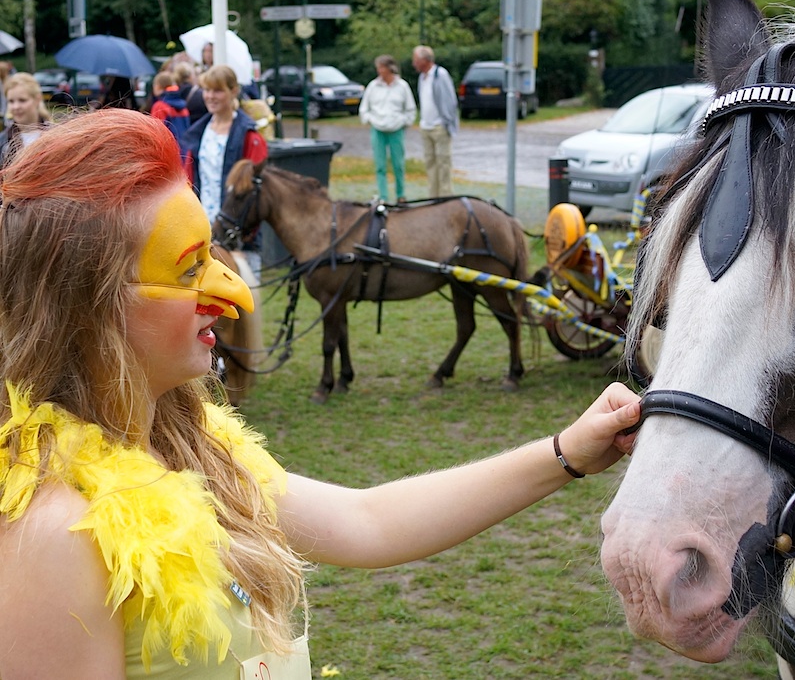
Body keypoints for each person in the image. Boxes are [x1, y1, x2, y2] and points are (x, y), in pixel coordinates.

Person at [0, 109, 642, 677]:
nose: (232, 292)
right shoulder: (52, 532)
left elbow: (368, 522)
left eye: (213, 259)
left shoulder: (198, 450)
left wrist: (567, 452)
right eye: (189, 268)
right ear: (88, 305)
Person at [180, 65, 267, 277]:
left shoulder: (249, 136)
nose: (210, 96)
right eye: (207, 90)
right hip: (201, 232)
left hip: (237, 238)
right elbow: (187, 183)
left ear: (233, 91)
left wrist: (243, 238)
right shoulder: (198, 133)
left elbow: (255, 194)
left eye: (217, 90)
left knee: (243, 295)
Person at [358, 54, 417, 204]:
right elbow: (364, 108)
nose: (379, 71)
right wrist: (370, 120)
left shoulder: (402, 86)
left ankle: (401, 194)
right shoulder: (373, 86)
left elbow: (410, 109)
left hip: (396, 130)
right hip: (378, 130)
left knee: (398, 164)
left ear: (389, 68)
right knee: (380, 165)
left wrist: (404, 122)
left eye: (381, 68)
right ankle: (383, 196)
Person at [412, 45, 460, 198]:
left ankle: (445, 197)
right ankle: (433, 197)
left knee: (443, 163)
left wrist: (447, 122)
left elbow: (449, 100)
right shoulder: (422, 77)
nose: (414, 63)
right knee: (430, 164)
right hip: (426, 126)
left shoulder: (440, 75)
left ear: (425, 60)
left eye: (416, 60)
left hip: (439, 126)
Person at [0, 72, 50, 166]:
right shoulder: (3, 141)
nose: (16, 107)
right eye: (11, 101)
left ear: (37, 99)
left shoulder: (54, 134)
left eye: (22, 100)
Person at [148, 71, 191, 153]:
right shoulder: (183, 107)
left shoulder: (159, 107)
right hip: (184, 151)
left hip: (168, 152)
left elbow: (156, 134)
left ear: (157, 86)